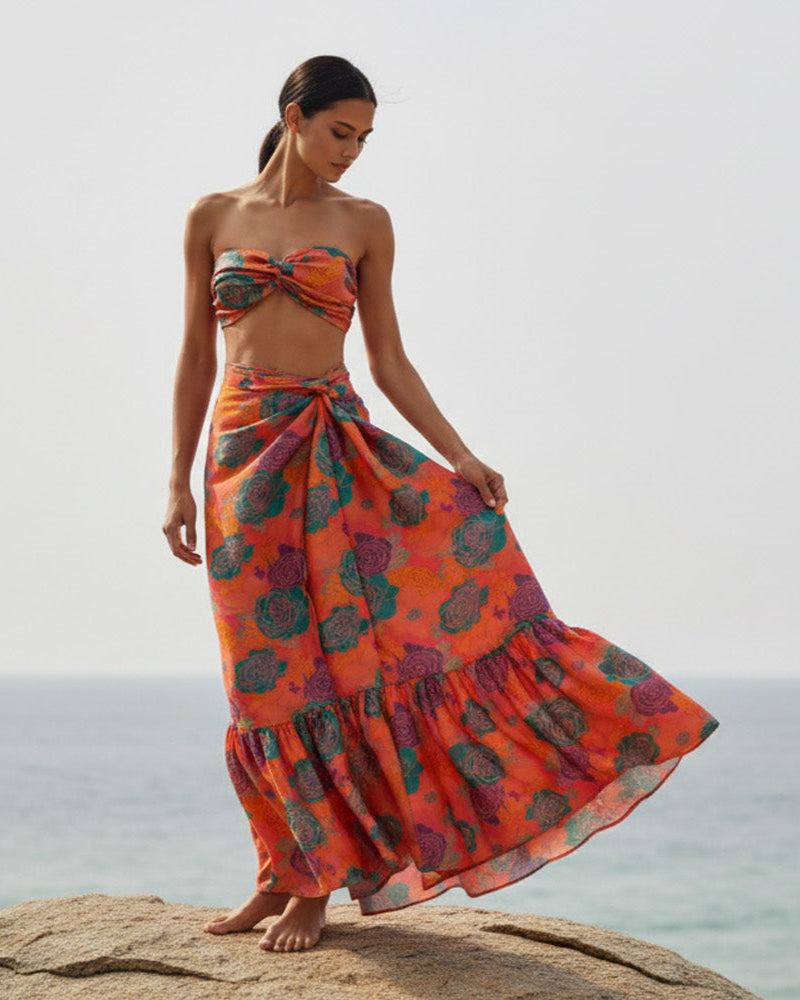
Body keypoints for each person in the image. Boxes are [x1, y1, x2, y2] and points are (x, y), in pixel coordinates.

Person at [163, 54, 719, 954]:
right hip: (238, 464)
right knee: (261, 676)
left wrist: (459, 453)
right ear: (295, 116)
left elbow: (388, 359)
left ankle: (323, 882)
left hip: (335, 451)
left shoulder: (365, 223)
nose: (352, 152)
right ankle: (280, 867)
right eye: (341, 131)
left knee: (342, 664)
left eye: (365, 139)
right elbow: (194, 355)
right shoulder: (212, 216)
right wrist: (177, 481)